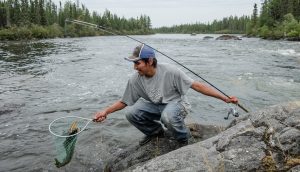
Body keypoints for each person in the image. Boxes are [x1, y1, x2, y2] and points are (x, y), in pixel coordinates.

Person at [94, 44, 238, 146]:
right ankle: (156, 133)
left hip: (178, 104)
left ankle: (185, 139)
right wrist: (105, 111)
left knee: (168, 116)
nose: (134, 67)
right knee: (131, 113)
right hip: (156, 106)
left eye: (137, 63)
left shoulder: (170, 71)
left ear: (149, 61)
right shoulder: (135, 79)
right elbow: (124, 101)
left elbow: (197, 86)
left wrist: (224, 98)